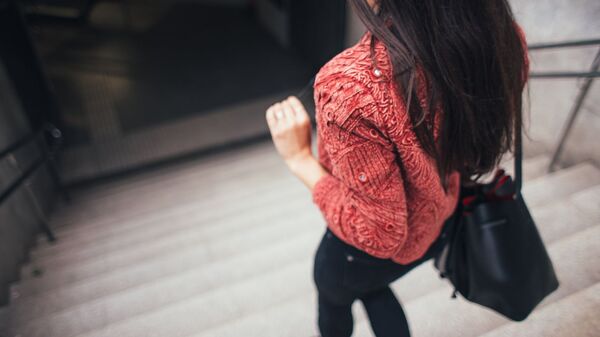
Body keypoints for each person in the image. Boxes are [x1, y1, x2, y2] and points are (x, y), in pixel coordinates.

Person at [265, 0, 529, 336]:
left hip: (366, 253)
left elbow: (379, 235)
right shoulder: (503, 36)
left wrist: (298, 158)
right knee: (371, 288)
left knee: (336, 294)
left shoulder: (352, 88)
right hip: (441, 222)